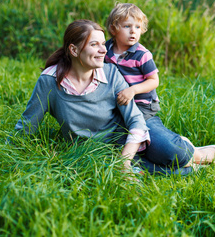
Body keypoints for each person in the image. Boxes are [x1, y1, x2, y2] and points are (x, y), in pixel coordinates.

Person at [14, 19, 196, 176]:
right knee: (160, 169)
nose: (103, 51)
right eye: (94, 45)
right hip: (93, 152)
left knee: (173, 153)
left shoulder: (111, 73)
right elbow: (28, 124)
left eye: (103, 44)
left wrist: (124, 162)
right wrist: (11, 154)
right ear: (74, 50)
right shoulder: (49, 81)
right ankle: (192, 166)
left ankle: (187, 151)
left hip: (124, 140)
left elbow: (136, 119)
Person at [104, 3, 215, 165]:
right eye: (127, 26)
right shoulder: (106, 49)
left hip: (142, 107)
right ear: (114, 29)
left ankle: (193, 151)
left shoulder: (142, 54)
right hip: (119, 108)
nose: (133, 31)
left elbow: (153, 80)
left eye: (137, 27)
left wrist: (133, 90)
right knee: (123, 147)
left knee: (152, 141)